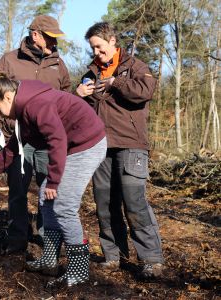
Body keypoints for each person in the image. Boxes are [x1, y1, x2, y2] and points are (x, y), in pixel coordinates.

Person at [0, 71, 107, 288]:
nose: (3, 116)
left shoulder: (36, 104)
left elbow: (57, 139)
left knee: (64, 205)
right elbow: (14, 148)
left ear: (8, 96)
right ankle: (49, 258)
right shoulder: (23, 111)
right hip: (73, 146)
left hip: (88, 144)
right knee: (46, 200)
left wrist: (54, 181)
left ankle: (79, 270)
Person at [76, 22, 164, 278]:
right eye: (92, 48)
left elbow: (146, 91)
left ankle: (152, 259)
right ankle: (114, 256)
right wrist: (77, 94)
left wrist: (116, 82)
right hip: (99, 148)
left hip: (130, 145)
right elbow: (77, 111)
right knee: (104, 203)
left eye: (100, 47)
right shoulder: (90, 73)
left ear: (112, 41)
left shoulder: (135, 66)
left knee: (134, 202)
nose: (96, 53)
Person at [0, 14, 71, 255]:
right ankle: (17, 239)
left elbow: (67, 96)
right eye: (50, 37)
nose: (54, 42)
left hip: (47, 140)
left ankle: (49, 239)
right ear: (36, 35)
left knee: (50, 189)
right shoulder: (9, 61)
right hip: (17, 138)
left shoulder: (58, 63)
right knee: (17, 190)